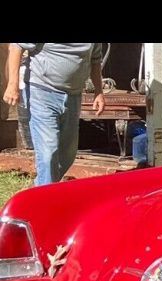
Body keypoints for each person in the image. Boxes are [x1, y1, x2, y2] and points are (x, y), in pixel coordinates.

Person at [2, 43, 106, 185]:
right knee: (48, 152)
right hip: (41, 90)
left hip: (73, 95)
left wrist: (98, 92)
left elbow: (95, 59)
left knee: (67, 154)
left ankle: (38, 191)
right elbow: (16, 47)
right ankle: (44, 201)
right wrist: (12, 85)